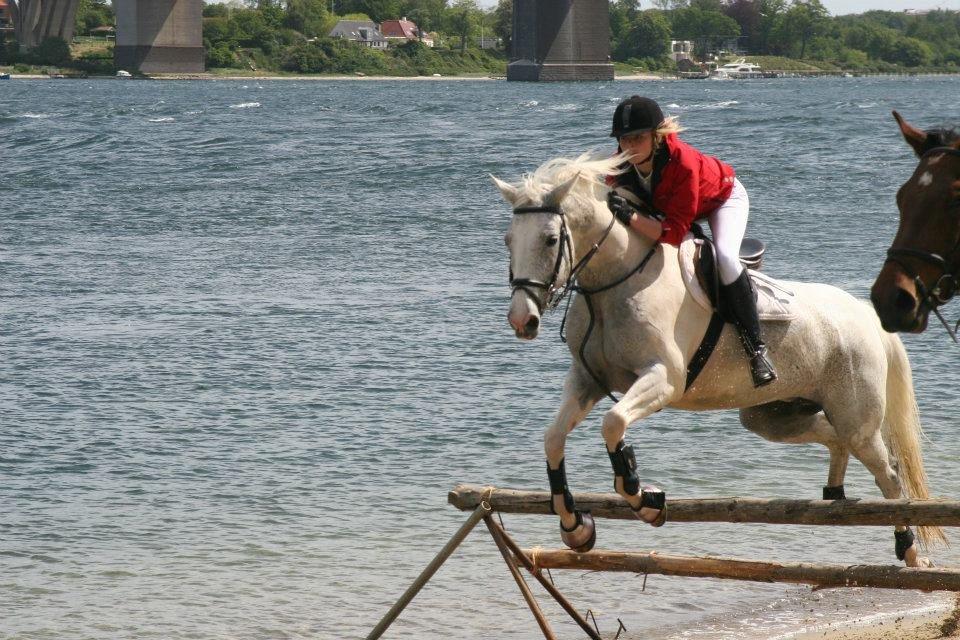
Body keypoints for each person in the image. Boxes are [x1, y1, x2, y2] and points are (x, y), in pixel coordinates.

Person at [605, 95, 777, 387]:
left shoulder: (681, 163)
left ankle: (756, 350)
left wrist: (633, 219)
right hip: (680, 207)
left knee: (724, 258)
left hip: (722, 199)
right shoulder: (620, 165)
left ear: (656, 137)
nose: (629, 146)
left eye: (637, 138)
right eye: (623, 139)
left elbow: (672, 232)